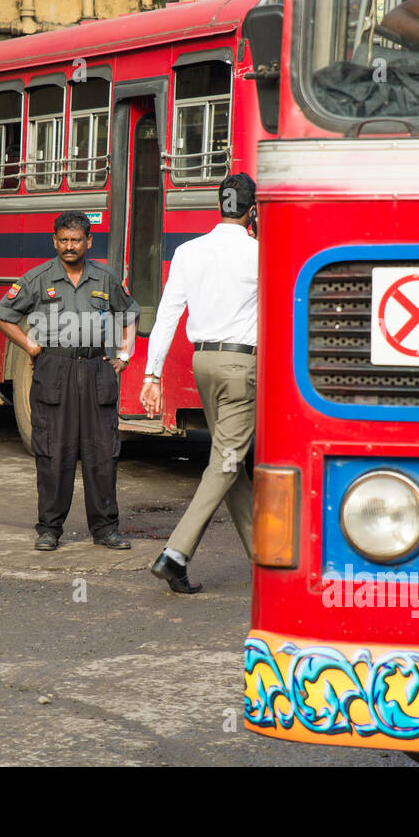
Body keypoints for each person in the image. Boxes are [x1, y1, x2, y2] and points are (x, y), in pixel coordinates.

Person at [0, 211, 138, 551]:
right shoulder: (38, 278)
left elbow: (129, 313)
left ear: (89, 242)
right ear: (54, 241)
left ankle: (105, 529)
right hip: (53, 370)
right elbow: (2, 314)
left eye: (76, 240)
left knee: (101, 452)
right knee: (54, 451)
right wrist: (29, 344)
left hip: (96, 368)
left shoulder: (105, 277)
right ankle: (49, 529)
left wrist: (124, 355)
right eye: (63, 240)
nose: (69, 246)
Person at [141, 174, 259, 594]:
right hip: (241, 365)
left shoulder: (189, 251)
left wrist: (152, 373)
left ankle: (264, 561)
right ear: (252, 209)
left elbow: (168, 313)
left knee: (231, 465)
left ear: (220, 204)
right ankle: (175, 554)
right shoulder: (260, 253)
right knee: (224, 463)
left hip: (202, 361)